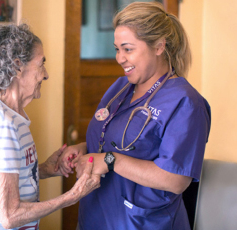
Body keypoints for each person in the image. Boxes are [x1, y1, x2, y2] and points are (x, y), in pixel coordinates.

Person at [56, 2, 211, 230]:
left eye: (128, 49)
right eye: (117, 48)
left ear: (159, 46)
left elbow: (175, 180)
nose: (119, 58)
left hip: (142, 223)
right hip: (95, 217)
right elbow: (114, 140)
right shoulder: (120, 87)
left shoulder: (186, 103)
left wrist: (110, 161)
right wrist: (83, 149)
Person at [0, 24, 100, 230]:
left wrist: (45, 169)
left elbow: (8, 177)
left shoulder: (13, 116)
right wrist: (73, 196)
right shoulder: (1, 125)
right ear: (17, 66)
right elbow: (10, 216)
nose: (45, 74)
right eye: (41, 64)